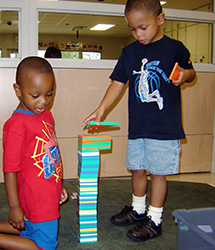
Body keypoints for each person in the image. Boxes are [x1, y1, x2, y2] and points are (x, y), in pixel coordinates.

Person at [82, 0, 196, 242]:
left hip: (165, 127)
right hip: (139, 126)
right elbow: (118, 82)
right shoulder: (130, 52)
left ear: (160, 19)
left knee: (157, 173)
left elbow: (191, 72)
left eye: (143, 27)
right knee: (136, 168)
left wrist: (185, 75)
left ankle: (154, 220)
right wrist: (101, 109)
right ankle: (138, 209)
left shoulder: (175, 48)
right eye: (132, 29)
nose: (138, 34)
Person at [0, 56, 68, 250]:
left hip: (46, 190)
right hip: (35, 197)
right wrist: (14, 206)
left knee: (29, 226)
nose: (43, 102)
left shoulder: (47, 116)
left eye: (49, 94)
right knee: (44, 246)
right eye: (35, 95)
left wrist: (58, 183)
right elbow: (10, 169)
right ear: (18, 91)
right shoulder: (16, 126)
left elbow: (53, 153)